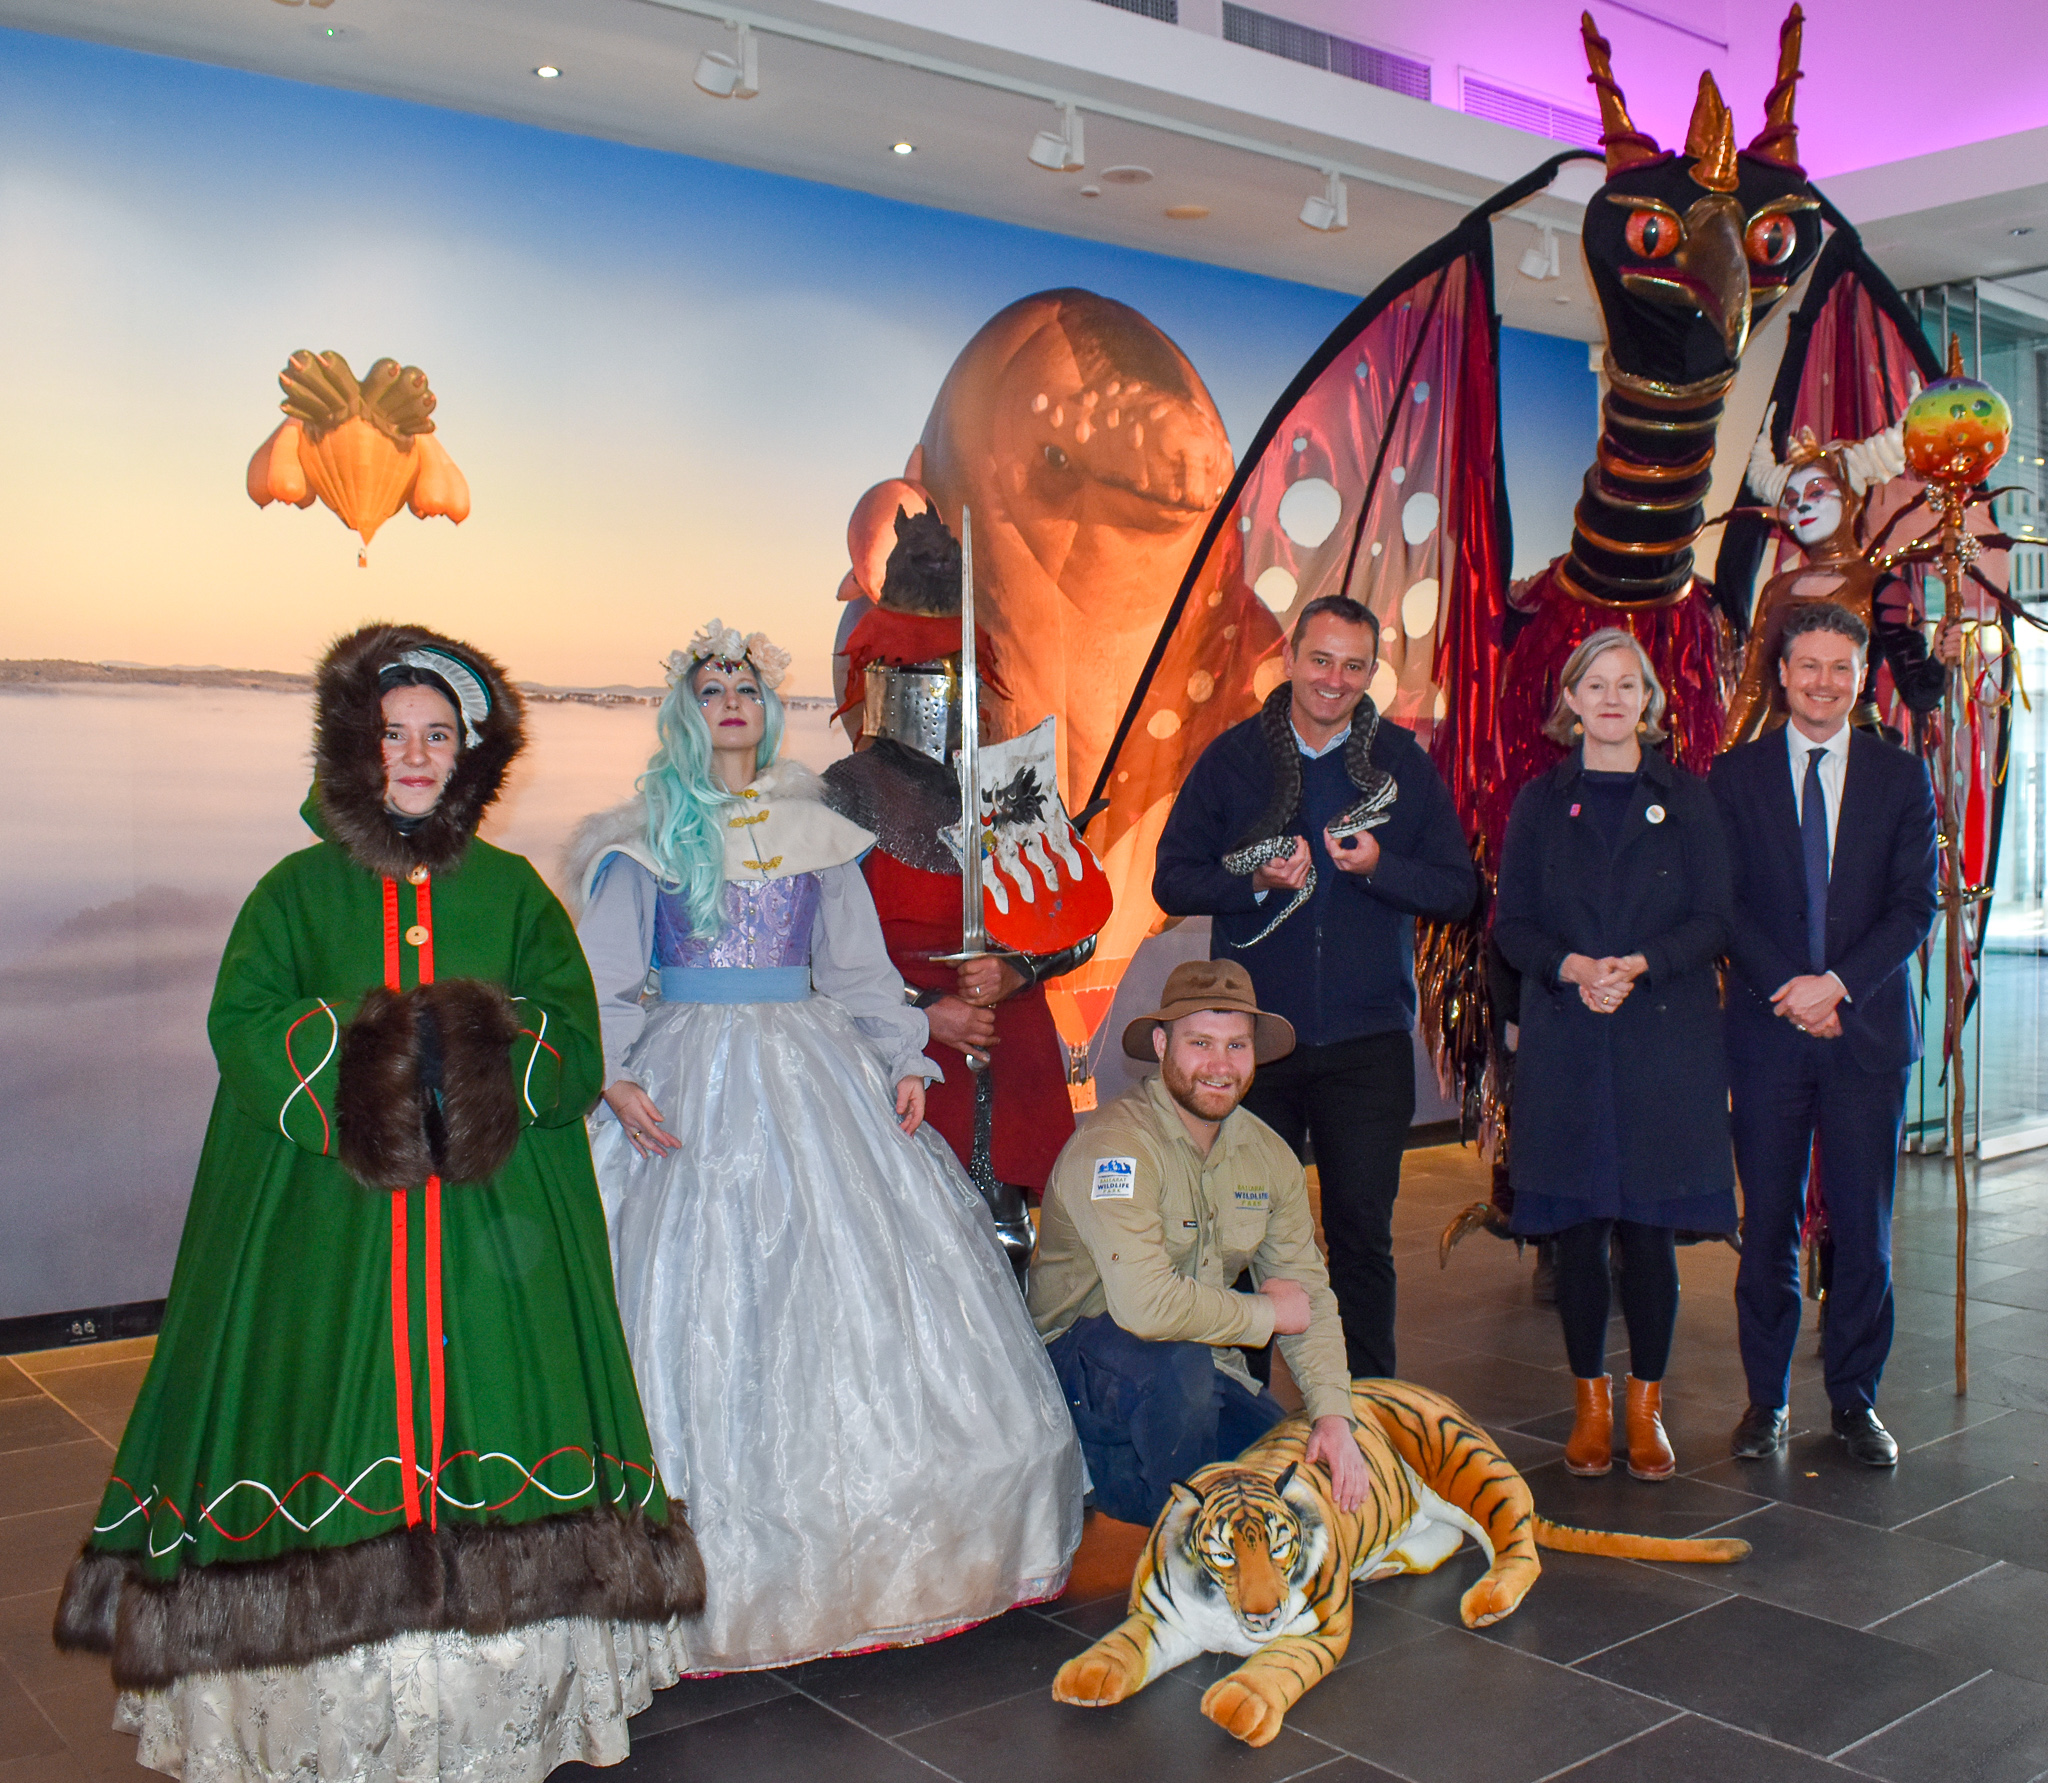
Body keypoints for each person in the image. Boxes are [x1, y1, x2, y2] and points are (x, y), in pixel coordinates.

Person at [54, 624, 703, 1782]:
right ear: (356, 745)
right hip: (323, 1226)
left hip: (492, 1233)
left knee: (502, 1420)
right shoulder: (294, 892)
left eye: (437, 735)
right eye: (393, 733)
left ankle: (498, 1705)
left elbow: (569, 1031)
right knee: (315, 1420)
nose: (414, 755)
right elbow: (244, 1024)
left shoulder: (509, 891)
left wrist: (481, 1054)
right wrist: (370, 1076)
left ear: (471, 753)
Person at [569, 619, 1082, 1671]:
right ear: (683, 710)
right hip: (687, 1073)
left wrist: (900, 1054)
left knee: (848, 1283)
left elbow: (854, 968)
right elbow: (608, 978)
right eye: (710, 687)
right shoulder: (644, 836)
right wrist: (612, 1074)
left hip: (810, 1068)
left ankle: (880, 1556)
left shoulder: (815, 833)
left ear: (769, 710)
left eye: (746, 687)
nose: (730, 701)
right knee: (699, 1292)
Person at [1153, 594, 1477, 1379]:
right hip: (1252, 1043)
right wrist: (1256, 878)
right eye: (1321, 660)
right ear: (1291, 659)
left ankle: (1367, 1415)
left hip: (1367, 1043)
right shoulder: (1235, 758)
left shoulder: (1400, 763)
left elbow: (1459, 890)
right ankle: (1239, 1415)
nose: (1334, 680)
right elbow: (1171, 877)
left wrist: (1381, 869)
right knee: (1236, 1234)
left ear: (1374, 673)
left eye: (1354, 666)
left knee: (1362, 1234)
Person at [1492, 628, 1737, 1481]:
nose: (1609, 697)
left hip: (1661, 1040)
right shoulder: (1535, 803)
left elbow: (1715, 917)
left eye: (1626, 684)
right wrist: (1571, 967)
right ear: (1570, 698)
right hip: (1568, 1036)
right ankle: (1591, 1404)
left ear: (1650, 702)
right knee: (1581, 1231)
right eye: (1594, 683)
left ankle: (1647, 1404)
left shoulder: (1690, 798)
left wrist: (1638, 964)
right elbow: (1512, 925)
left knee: (1649, 1229)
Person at [823, 509, 1096, 1270]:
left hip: (1012, 1069)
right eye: (915, 672)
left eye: (949, 673)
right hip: (899, 1074)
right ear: (879, 675)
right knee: (906, 1275)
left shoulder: (1011, 782)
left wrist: (1019, 967)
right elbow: (811, 954)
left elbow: (1079, 923)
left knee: (1015, 1272)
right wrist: (920, 1014)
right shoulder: (847, 793)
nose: (935, 693)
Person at [1712, 602, 1938, 1468]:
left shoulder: (1899, 775)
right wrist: (1791, 989)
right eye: (1809, 665)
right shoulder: (1733, 778)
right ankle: (1764, 1400)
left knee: (1863, 1228)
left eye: (1841, 668)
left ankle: (1854, 1400)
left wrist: (1837, 985)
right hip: (1768, 1035)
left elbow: (1913, 905)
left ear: (1860, 677)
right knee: (1766, 1224)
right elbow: (1722, 904)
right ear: (1782, 673)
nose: (1824, 683)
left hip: (1867, 1031)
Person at [1030, 959, 1367, 1526]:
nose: (1220, 1065)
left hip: (1198, 1363)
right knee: (1180, 1379)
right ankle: (1164, 1530)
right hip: (1079, 1365)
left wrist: (1334, 1415)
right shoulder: (1117, 1147)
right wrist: (1266, 1313)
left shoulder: (1267, 1156)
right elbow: (1144, 1306)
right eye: (1201, 1043)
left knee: (1288, 1483)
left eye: (1237, 1046)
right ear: (1162, 1044)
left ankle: (1199, 1510)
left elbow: (1307, 1291)